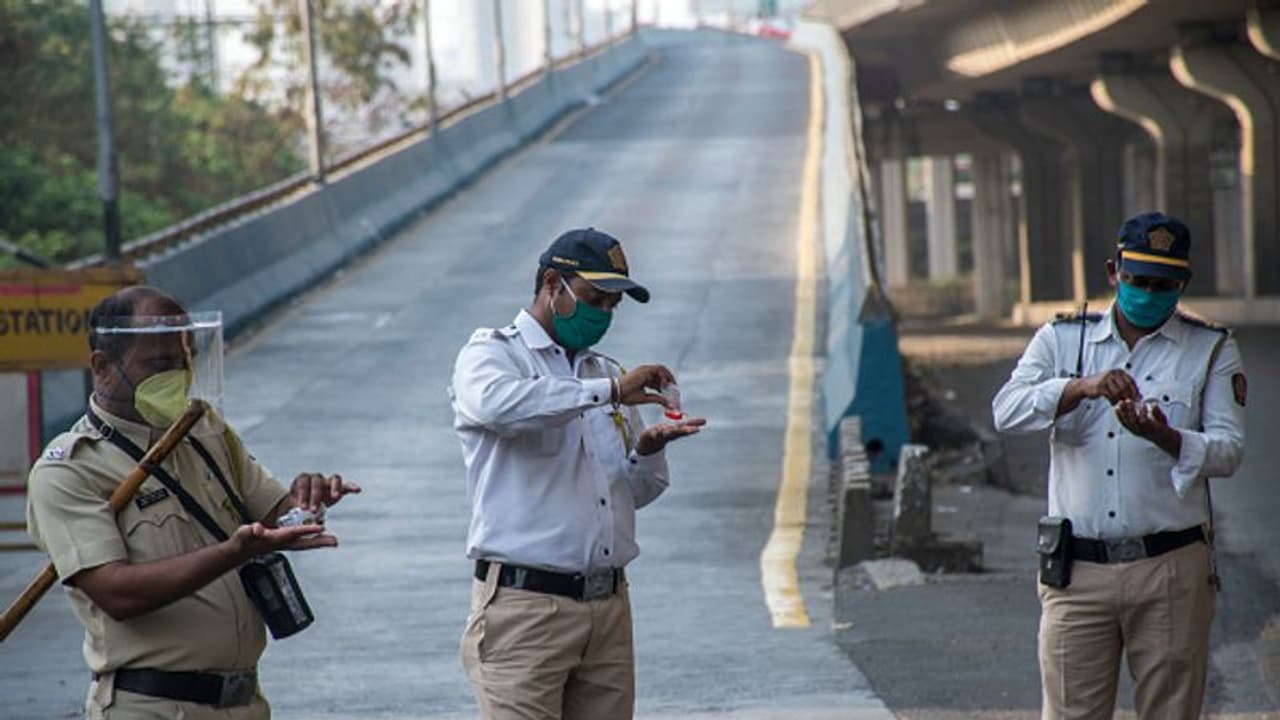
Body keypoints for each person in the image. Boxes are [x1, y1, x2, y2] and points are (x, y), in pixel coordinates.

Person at [25, 286, 360, 720]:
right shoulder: (70, 470)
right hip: (153, 707)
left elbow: (274, 514)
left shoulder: (203, 430)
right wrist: (232, 553)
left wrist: (307, 499)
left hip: (244, 702)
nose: (177, 377)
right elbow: (116, 593)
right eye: (158, 365)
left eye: (183, 361)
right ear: (103, 368)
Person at [992, 212, 1246, 719]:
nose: (1149, 293)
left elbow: (1228, 450)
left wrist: (1167, 437)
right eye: (1137, 280)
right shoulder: (1063, 339)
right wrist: (1078, 388)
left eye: (1163, 283)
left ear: (1182, 283)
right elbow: (1006, 410)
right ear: (1114, 271)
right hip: (1077, 573)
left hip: (1169, 568)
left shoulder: (1211, 348)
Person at [450, 227, 706, 720]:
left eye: (613, 305)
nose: (604, 315)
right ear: (552, 285)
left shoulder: (602, 371)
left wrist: (648, 451)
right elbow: (497, 406)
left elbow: (630, 493)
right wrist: (607, 392)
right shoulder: (493, 355)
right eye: (594, 299)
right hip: (526, 612)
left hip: (607, 609)